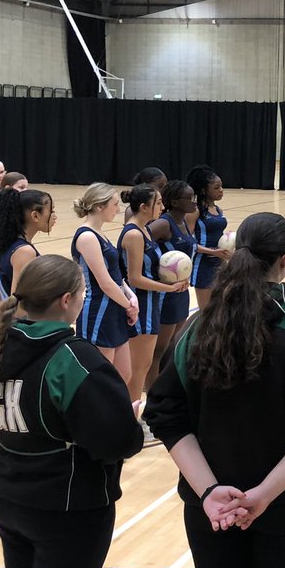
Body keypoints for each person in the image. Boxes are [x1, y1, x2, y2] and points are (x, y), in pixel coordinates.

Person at [146, 212, 285, 568]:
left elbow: (165, 414)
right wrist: (265, 494)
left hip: (211, 509)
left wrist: (209, 493)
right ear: (284, 259)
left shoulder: (195, 328)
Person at [0, 254, 144, 568]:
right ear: (67, 300)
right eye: (83, 294)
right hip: (66, 507)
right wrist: (130, 422)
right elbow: (117, 443)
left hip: (8, 497)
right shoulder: (75, 360)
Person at [118, 185, 188, 427]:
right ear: (144, 207)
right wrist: (170, 288)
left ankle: (133, 417)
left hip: (150, 303)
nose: (162, 207)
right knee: (138, 369)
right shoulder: (134, 234)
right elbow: (134, 277)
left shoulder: (145, 231)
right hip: (140, 304)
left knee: (144, 365)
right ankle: (130, 423)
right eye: (157, 203)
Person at [71, 184, 138, 393]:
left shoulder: (100, 234)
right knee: (99, 379)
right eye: (115, 204)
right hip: (99, 309)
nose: (118, 209)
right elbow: (104, 282)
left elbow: (116, 275)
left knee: (123, 374)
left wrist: (130, 295)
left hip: (115, 307)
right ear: (100, 206)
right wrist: (128, 305)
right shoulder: (87, 236)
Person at [145, 180, 197, 393]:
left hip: (181, 292)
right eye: (189, 198)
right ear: (174, 201)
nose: (194, 201)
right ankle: (153, 395)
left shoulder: (184, 222)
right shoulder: (164, 224)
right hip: (166, 294)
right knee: (158, 350)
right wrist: (156, 272)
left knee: (174, 345)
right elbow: (135, 242)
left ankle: (167, 389)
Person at [0, 188, 55, 298]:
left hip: (4, 313)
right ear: (35, 216)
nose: (54, 216)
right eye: (51, 211)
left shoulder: (4, 243)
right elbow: (19, 303)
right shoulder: (24, 251)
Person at [186, 165, 232, 310]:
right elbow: (188, 241)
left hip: (220, 263)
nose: (221, 190)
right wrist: (212, 252)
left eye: (221, 187)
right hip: (203, 265)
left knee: (221, 309)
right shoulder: (194, 211)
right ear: (204, 190)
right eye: (216, 187)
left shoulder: (218, 210)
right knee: (206, 312)